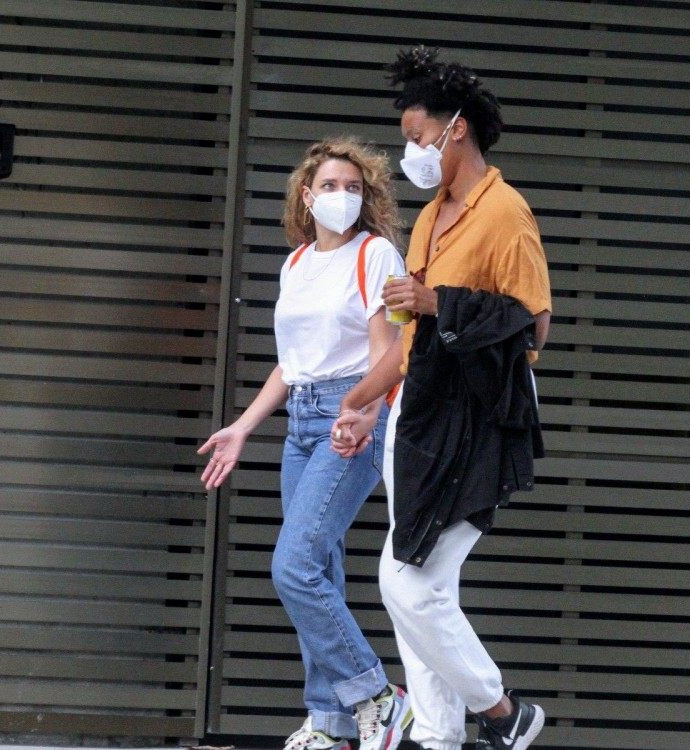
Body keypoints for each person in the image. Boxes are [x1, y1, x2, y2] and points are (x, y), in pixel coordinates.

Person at [331, 48, 552, 750]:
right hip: (420, 415)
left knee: (408, 585)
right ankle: (436, 735)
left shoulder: (506, 213)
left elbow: (533, 324)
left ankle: (503, 713)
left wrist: (438, 302)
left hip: (476, 419)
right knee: (419, 588)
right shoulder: (430, 217)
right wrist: (362, 400)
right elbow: (410, 340)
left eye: (418, 135)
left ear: (456, 129)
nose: (412, 152)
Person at [199, 137, 413, 750]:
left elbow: (389, 353)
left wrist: (365, 411)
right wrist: (243, 426)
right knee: (318, 569)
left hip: (352, 414)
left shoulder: (375, 254)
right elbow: (292, 365)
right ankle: (329, 722)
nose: (342, 196)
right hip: (301, 421)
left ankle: (377, 696)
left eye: (354, 188)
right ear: (306, 196)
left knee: (293, 566)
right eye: (330, 186)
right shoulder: (295, 264)